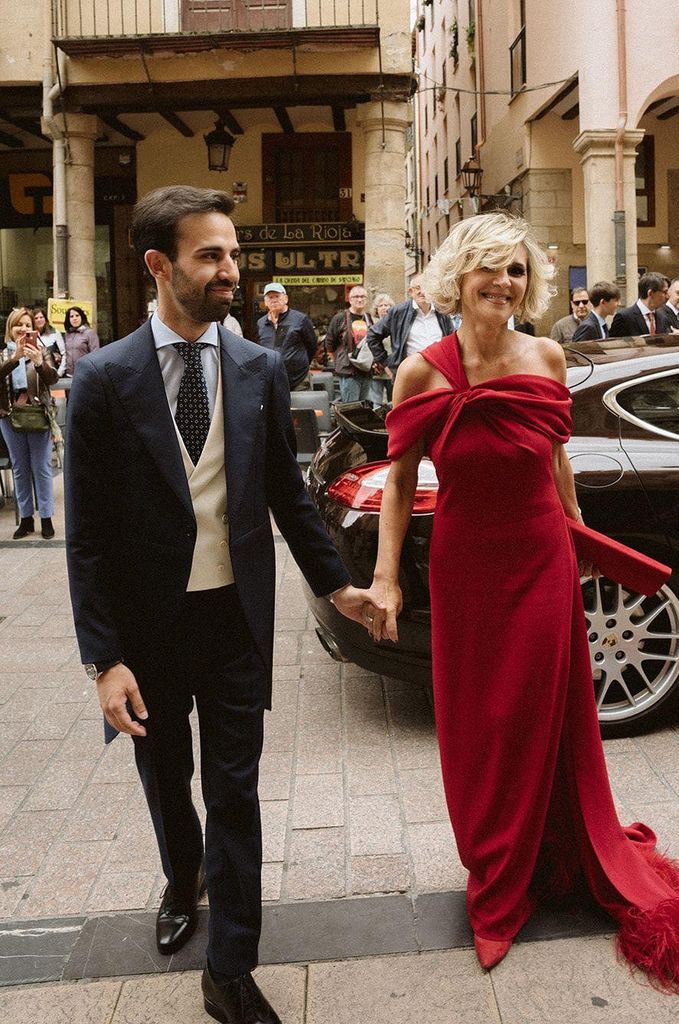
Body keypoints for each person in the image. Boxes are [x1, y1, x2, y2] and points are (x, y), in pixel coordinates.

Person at [362, 212, 679, 1002]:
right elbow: (400, 484)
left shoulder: (546, 356)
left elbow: (557, 466)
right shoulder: (421, 372)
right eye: (490, 269)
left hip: (541, 558)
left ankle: (552, 847)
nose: (504, 284)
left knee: (544, 711)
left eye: (517, 271)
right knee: (480, 719)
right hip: (465, 565)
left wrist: (582, 545)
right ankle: (495, 863)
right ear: (460, 274)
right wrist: (387, 579)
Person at [64, 186, 375, 1024]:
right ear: (159, 266)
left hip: (236, 621)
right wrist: (105, 659)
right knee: (169, 781)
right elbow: (86, 537)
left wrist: (334, 583)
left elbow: (285, 491)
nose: (231, 270)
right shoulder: (100, 380)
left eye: (233, 253)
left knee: (234, 791)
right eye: (211, 255)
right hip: (148, 631)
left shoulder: (258, 367)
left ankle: (230, 967)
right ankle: (181, 878)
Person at [0, 307, 58, 539]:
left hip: (38, 415)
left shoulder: (42, 350)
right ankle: (25, 519)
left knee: (42, 469)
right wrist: (15, 360)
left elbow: (52, 378)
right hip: (9, 416)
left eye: (27, 324)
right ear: (10, 328)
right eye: (18, 325)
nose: (23, 329)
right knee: (20, 470)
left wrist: (38, 363)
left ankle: (46, 518)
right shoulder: (4, 353)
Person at [365, 276, 454, 376]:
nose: (422, 291)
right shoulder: (398, 312)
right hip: (409, 374)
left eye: (426, 287)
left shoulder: (442, 312)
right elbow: (373, 335)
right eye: (417, 288)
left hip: (439, 372)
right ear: (411, 291)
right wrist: (386, 363)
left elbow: (452, 341)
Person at [255, 282, 318, 391]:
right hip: (273, 381)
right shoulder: (261, 323)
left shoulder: (300, 319)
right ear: (265, 302)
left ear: (286, 299)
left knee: (303, 408)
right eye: (270, 297)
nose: (274, 300)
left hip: (299, 380)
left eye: (277, 296)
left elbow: (312, 346)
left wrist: (298, 363)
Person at [323, 284, 379, 403]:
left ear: (367, 299)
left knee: (365, 407)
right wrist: (339, 361)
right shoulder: (340, 318)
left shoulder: (369, 318)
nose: (360, 299)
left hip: (366, 370)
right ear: (350, 299)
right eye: (356, 297)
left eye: (363, 296)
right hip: (349, 372)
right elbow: (329, 343)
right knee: (351, 408)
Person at [609, 272, 671, 336]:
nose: (667, 297)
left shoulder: (662, 317)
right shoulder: (624, 318)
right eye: (665, 292)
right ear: (650, 293)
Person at [371, 293, 396, 404]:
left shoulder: (397, 325)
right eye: (381, 306)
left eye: (387, 305)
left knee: (394, 400)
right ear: (376, 309)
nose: (384, 308)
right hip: (378, 368)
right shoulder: (373, 326)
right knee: (376, 401)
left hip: (393, 368)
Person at [62, 305, 100, 377]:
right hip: (69, 375)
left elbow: (95, 354)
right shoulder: (67, 334)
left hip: (85, 374)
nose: (74, 318)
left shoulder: (90, 333)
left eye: (77, 315)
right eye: (71, 316)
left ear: (81, 317)